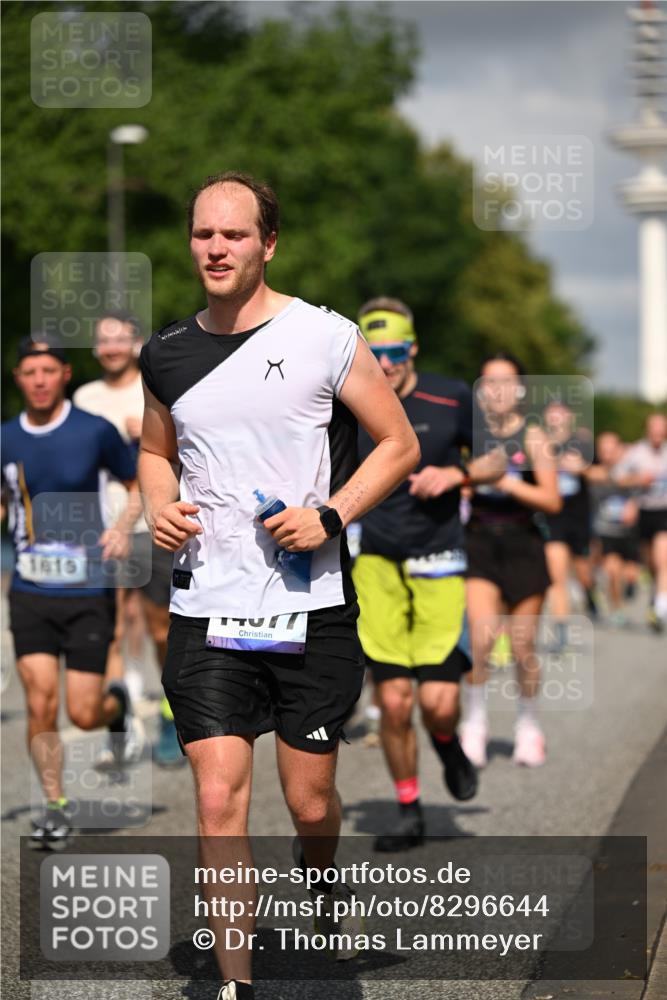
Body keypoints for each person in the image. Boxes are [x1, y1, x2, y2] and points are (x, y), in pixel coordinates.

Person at [137, 172, 419, 1000]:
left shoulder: (324, 337)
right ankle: (238, 986)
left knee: (310, 802)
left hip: (309, 608)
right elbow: (154, 451)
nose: (215, 248)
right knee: (217, 795)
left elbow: (397, 444)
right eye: (202, 234)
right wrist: (158, 505)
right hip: (208, 607)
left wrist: (330, 515)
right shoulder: (166, 352)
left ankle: (321, 875)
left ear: (268, 243)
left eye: (233, 234)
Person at [352, 297, 504, 852]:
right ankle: (409, 809)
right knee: (394, 703)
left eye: (394, 351)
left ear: (412, 348)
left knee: (438, 704)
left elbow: (496, 460)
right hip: (377, 564)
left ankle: (446, 743)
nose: (385, 363)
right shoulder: (349, 402)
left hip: (440, 561)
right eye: (374, 353)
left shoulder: (450, 394)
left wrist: (456, 474)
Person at [1, 335, 141, 846]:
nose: (39, 380)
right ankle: (54, 806)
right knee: (40, 701)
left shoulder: (94, 430)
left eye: (48, 371)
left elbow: (137, 482)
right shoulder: (5, 437)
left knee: (82, 712)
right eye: (29, 372)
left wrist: (123, 527)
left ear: (64, 375)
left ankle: (116, 710)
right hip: (30, 588)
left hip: (87, 589)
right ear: (18, 378)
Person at [74, 312, 182, 766]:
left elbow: (181, 455)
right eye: (104, 340)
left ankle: (172, 715)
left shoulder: (156, 386)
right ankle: (119, 728)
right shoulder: (84, 398)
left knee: (161, 628)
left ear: (138, 343)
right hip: (97, 534)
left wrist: (153, 436)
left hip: (148, 528)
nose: (112, 347)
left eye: (120, 339)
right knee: (110, 632)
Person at [461, 353, 561, 769]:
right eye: (489, 382)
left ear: (520, 390)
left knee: (522, 647)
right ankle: (475, 723)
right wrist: (467, 481)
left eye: (506, 382)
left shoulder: (533, 436)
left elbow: (552, 500)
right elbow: (458, 483)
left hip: (523, 543)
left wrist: (504, 481)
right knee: (480, 640)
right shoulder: (469, 434)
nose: (497, 391)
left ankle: (528, 725)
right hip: (480, 542)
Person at [542, 401, 597, 648]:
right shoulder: (540, 444)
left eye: (560, 412)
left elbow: (602, 473)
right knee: (557, 574)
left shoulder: (582, 442)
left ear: (570, 416)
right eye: (551, 412)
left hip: (579, 517)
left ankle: (589, 591)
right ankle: (561, 631)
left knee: (583, 571)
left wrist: (581, 468)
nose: (556, 417)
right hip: (553, 518)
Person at [614, 413, 667, 632]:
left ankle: (661, 608)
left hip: (664, 510)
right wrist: (637, 480)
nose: (658, 432)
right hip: (643, 512)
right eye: (654, 427)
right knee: (652, 563)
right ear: (647, 429)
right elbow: (618, 478)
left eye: (661, 427)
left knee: (663, 558)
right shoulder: (636, 452)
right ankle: (656, 595)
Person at [588, 431, 640, 627]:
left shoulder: (632, 471)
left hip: (630, 531)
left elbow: (644, 485)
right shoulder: (593, 472)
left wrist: (634, 504)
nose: (608, 455)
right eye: (603, 450)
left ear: (621, 449)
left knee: (631, 573)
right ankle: (617, 609)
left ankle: (630, 587)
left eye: (612, 450)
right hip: (605, 531)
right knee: (612, 570)